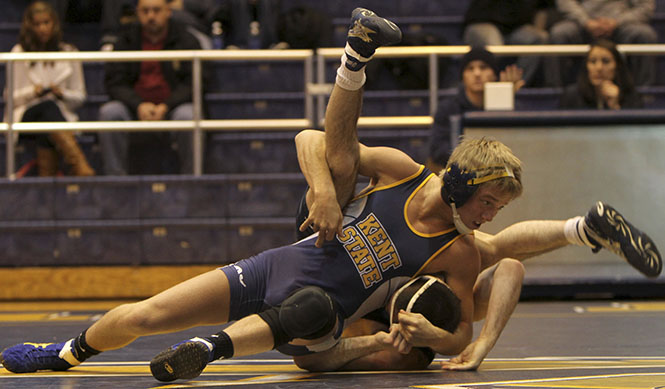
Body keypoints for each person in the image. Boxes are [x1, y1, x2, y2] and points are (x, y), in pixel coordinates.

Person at [2, 7, 661, 379]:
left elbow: (469, 304)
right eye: (490, 198)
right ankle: (67, 350)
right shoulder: (407, 173)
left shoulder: (457, 248)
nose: (489, 213)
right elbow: (309, 141)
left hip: (318, 317)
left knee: (331, 299)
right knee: (147, 313)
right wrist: (321, 191)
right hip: (277, 264)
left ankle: (582, 227)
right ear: (462, 182)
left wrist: (445, 336)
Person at [97, 0, 200, 175]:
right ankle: (116, 183)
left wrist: (167, 105)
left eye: (156, 10)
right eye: (145, 11)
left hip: (173, 107)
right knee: (110, 113)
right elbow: (114, 82)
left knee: (188, 116)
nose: (151, 16)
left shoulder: (186, 40)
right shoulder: (125, 41)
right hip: (134, 108)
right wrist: (138, 105)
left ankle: (192, 181)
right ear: (137, 12)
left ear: (168, 11)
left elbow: (195, 83)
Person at [7, 0, 94, 177]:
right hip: (26, 116)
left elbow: (80, 97)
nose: (42, 28)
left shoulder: (69, 52)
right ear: (29, 26)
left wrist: (62, 94)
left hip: (58, 117)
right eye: (37, 24)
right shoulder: (18, 52)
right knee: (47, 108)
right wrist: (34, 92)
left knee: (48, 127)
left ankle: (46, 185)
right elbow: (11, 97)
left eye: (46, 23)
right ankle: (79, 165)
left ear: (54, 23)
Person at [427, 47, 525, 172]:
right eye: (470, 69)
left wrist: (504, 99)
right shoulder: (447, 108)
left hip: (499, 173)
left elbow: (517, 144)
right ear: (463, 76)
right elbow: (438, 150)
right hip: (461, 172)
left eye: (483, 67)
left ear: (494, 74)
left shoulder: (509, 105)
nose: (477, 73)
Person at [548, 0, 657, 87]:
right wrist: (586, 22)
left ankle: (644, 93)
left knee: (645, 35)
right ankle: (555, 93)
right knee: (560, 34)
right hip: (583, 24)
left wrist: (617, 22)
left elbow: (645, 7)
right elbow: (566, 3)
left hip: (621, 25)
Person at [462, 0, 549, 86]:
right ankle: (491, 89)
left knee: (539, 38)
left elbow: (542, 8)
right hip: (483, 21)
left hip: (516, 27)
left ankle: (515, 85)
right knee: (495, 46)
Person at [559, 39, 643, 109]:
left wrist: (615, 106)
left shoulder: (631, 96)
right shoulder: (571, 96)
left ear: (617, 66)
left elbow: (634, 128)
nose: (599, 68)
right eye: (593, 61)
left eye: (606, 61)